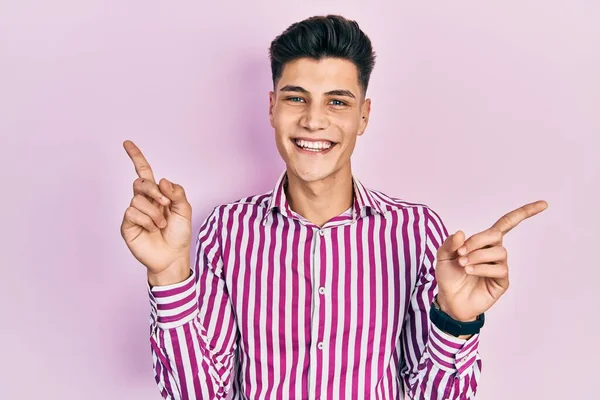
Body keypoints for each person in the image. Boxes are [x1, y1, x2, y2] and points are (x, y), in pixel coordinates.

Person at [120, 14, 547, 400]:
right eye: (296, 98)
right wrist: (168, 274)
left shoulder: (416, 232)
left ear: (363, 116)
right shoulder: (227, 230)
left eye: (337, 101)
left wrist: (456, 320)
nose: (313, 120)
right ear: (272, 108)